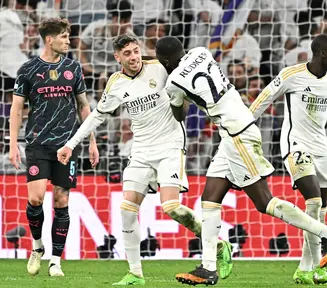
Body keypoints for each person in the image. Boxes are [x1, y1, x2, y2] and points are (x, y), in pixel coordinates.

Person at [56, 34, 233, 285]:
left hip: (170, 146)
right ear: (117, 57)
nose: (134, 57)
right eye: (127, 53)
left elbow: (191, 81)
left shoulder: (160, 68)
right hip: (140, 151)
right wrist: (71, 144)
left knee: (171, 207)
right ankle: (135, 273)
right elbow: (97, 115)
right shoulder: (115, 83)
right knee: (127, 210)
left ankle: (217, 245)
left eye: (136, 51)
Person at [155, 36, 327, 286]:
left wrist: (174, 97)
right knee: (210, 199)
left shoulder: (173, 82)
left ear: (165, 61)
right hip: (233, 130)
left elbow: (180, 114)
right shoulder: (202, 52)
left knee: (264, 202)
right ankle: (208, 267)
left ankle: (325, 234)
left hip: (237, 135)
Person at [9, 18, 99, 277]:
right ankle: (37, 247)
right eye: (64, 37)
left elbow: (84, 106)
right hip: (37, 142)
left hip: (68, 145)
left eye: (68, 37)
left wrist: (91, 141)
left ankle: (56, 260)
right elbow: (17, 108)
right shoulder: (28, 69)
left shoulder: (73, 68)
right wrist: (13, 144)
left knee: (61, 200)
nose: (68, 41)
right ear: (49, 39)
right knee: (35, 197)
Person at [250, 34, 327, 284]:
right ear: (323, 53)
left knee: (319, 210)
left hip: (322, 148)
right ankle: (319, 267)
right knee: (313, 200)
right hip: (296, 146)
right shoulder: (291, 74)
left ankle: (304, 269)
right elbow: (261, 102)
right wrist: (239, 132)